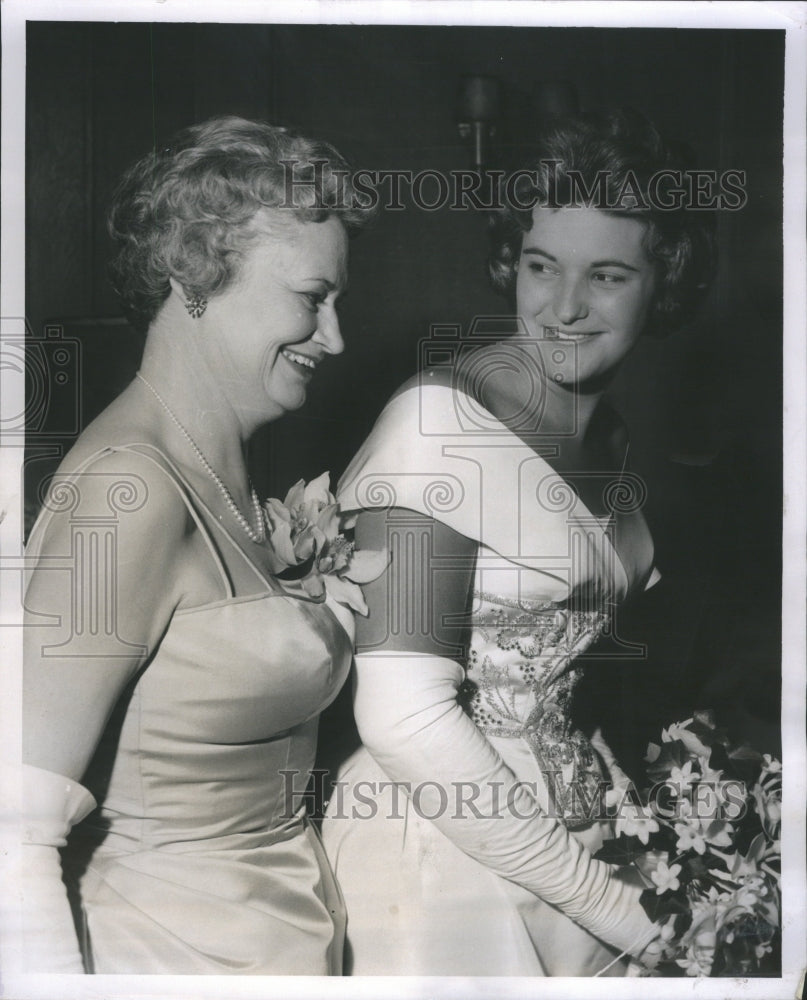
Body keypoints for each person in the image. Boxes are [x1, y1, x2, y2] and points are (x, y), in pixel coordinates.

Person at [321, 109, 717, 975]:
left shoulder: (609, 436)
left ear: (664, 282)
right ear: (511, 262)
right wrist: (617, 907)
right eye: (541, 266)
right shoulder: (440, 423)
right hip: (434, 847)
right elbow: (402, 716)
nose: (564, 307)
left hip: (570, 831)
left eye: (606, 275)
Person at [19, 116, 373, 974]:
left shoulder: (228, 474)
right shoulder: (127, 489)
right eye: (310, 299)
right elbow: (10, 828)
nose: (335, 338)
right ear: (191, 276)